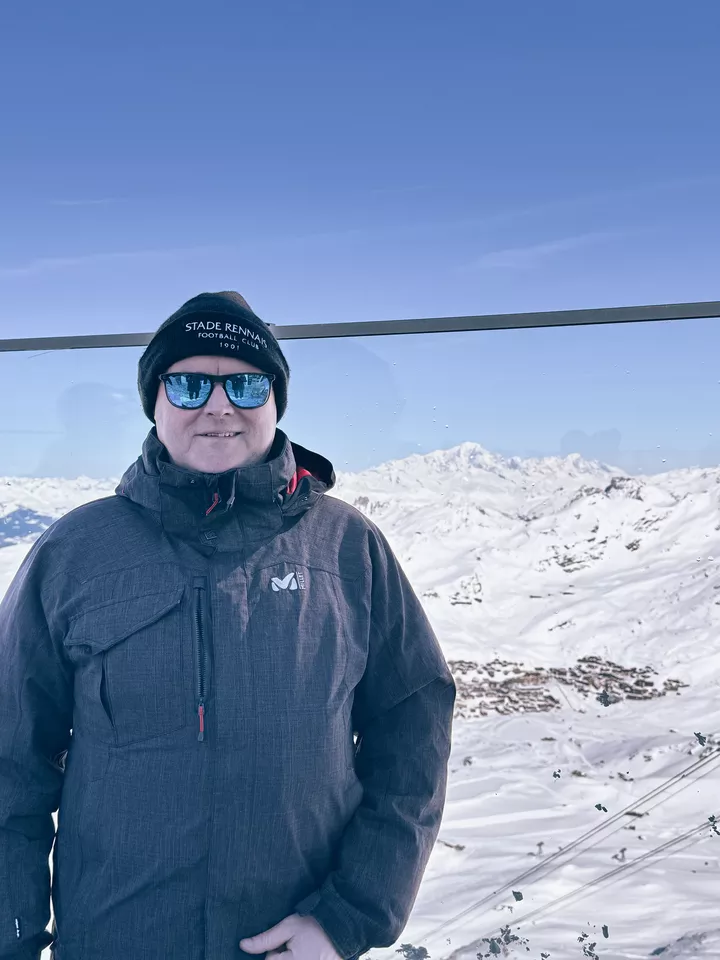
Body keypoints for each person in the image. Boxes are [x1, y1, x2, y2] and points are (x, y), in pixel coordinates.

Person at [0, 291, 456, 960]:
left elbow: (414, 728)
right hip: (114, 939)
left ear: (275, 402)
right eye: (188, 384)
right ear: (156, 403)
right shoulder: (76, 552)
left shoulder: (346, 549)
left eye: (245, 383)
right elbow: (11, 763)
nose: (219, 405)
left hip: (287, 942)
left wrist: (349, 916)